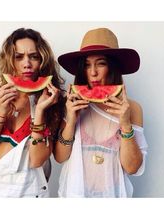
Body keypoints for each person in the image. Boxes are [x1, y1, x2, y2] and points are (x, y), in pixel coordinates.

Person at [54, 28, 148, 197]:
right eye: (87, 65)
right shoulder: (73, 104)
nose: (93, 72)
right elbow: (60, 158)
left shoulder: (132, 109)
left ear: (113, 67)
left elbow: (132, 168)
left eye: (101, 63)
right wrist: (71, 120)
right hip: (74, 195)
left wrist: (125, 124)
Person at [0, 28, 64, 197]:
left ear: (42, 60)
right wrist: (1, 111)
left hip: (30, 194)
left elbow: (37, 160)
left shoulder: (51, 103)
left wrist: (40, 110)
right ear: (10, 61)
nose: (27, 63)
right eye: (19, 57)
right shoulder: (4, 97)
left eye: (33, 56)